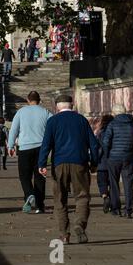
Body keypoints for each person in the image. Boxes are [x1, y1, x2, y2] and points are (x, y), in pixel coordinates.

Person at [38, 95, 99, 244]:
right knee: (82, 197)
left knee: (60, 199)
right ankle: (79, 224)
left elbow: (46, 144)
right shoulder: (82, 120)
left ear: (57, 106)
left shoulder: (52, 121)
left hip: (59, 163)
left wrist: (41, 164)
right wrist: (94, 162)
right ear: (72, 105)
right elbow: (94, 145)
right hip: (80, 162)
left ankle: (64, 234)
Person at [8, 91, 53, 214]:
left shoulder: (21, 112)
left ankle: (29, 194)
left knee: (24, 176)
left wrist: (10, 145)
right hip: (41, 148)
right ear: (39, 100)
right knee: (39, 176)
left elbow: (13, 130)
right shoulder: (46, 112)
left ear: (28, 100)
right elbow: (53, 127)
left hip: (25, 148)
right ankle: (40, 205)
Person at [102, 104, 133, 219]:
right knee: (128, 184)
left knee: (114, 184)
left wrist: (107, 154)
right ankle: (128, 209)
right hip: (128, 158)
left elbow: (106, 142)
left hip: (113, 158)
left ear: (115, 113)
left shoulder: (112, 124)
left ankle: (116, 209)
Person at [95, 114, 114, 214]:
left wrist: (94, 160)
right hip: (113, 162)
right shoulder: (115, 132)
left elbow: (97, 148)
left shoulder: (100, 133)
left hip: (102, 163)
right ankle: (112, 200)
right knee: (112, 182)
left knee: (102, 182)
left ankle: (105, 196)